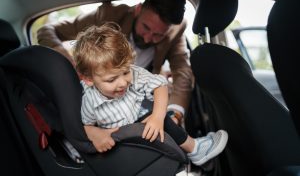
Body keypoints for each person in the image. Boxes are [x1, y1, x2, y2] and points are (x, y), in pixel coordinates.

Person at [37, 0, 193, 126]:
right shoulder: (108, 16)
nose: (147, 39)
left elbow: (182, 72)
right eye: (146, 27)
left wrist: (176, 113)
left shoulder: (175, 31)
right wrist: (67, 60)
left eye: (158, 35)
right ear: (138, 10)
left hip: (141, 97)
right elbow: (47, 30)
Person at [73, 23, 228, 166]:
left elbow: (159, 85)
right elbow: (85, 125)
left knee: (158, 114)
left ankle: (194, 149)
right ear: (88, 79)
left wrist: (157, 117)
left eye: (125, 72)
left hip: (137, 127)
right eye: (112, 79)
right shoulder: (89, 99)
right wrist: (95, 133)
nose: (122, 83)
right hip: (118, 143)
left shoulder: (134, 73)